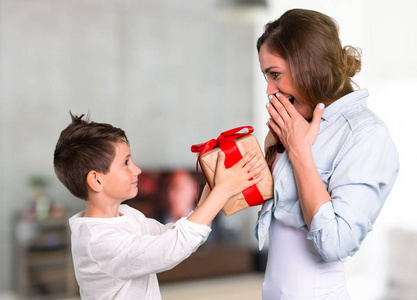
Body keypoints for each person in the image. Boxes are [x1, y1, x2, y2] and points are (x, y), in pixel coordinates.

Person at [254, 9, 399, 299]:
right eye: (266, 77)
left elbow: (335, 243)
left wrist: (300, 154)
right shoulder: (297, 125)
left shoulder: (366, 134)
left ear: (309, 67)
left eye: (275, 75)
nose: (270, 90)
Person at [53, 113, 265, 300]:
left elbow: (171, 234)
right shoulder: (98, 242)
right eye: (126, 163)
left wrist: (211, 192)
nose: (136, 170)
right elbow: (171, 248)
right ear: (96, 180)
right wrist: (222, 192)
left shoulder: (126, 214)